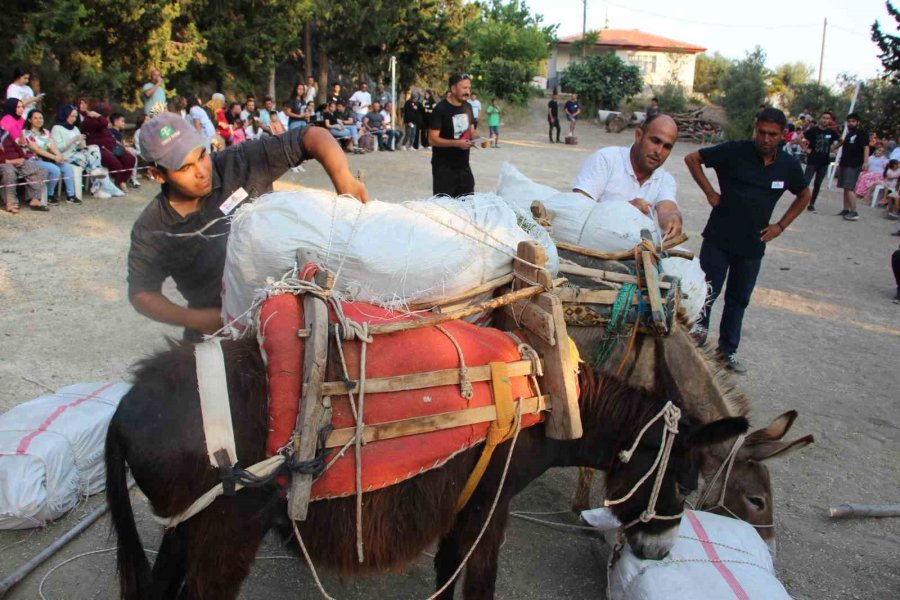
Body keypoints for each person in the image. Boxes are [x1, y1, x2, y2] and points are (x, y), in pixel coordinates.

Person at [128, 112, 369, 341]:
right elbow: (142, 294)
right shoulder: (152, 229)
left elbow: (311, 136)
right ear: (157, 175)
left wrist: (344, 178)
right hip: (219, 330)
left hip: (286, 312)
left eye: (201, 155)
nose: (202, 171)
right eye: (184, 168)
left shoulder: (241, 162)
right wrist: (199, 319)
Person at [684, 108, 810, 374]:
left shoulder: (788, 166)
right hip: (719, 238)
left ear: (782, 135)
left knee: (738, 299)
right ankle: (694, 346)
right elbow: (692, 158)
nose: (765, 139)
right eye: (761, 132)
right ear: (756, 129)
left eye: (772, 135)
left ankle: (726, 352)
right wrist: (710, 192)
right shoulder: (734, 151)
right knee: (705, 292)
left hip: (753, 245)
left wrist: (780, 226)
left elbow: (803, 195)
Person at [573, 114, 683, 241]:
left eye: (667, 147)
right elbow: (577, 209)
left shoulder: (665, 179)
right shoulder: (606, 160)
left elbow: (668, 208)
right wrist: (622, 210)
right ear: (638, 135)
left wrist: (673, 219)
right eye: (655, 141)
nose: (659, 151)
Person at [429, 73, 481, 197]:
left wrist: (478, 138)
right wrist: (457, 143)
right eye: (464, 88)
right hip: (444, 168)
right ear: (453, 89)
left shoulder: (468, 107)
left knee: (468, 206)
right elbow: (432, 139)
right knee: (445, 209)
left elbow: (471, 130)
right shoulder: (440, 109)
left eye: (469, 88)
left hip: (464, 167)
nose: (468, 91)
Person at [51, 104, 116, 198]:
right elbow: (59, 148)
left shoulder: (75, 128)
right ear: (64, 115)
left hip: (78, 154)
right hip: (66, 156)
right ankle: (96, 188)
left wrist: (81, 142)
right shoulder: (57, 128)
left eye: (75, 116)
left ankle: (96, 179)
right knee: (94, 164)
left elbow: (82, 147)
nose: (74, 119)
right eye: (71, 116)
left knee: (94, 147)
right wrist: (74, 139)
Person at [23, 109, 79, 204]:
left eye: (41, 118)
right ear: (29, 120)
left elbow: (52, 145)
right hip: (33, 160)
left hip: (46, 158)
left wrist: (59, 156)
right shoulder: (26, 133)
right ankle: (50, 195)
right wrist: (54, 158)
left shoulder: (45, 132)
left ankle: (71, 196)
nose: (39, 120)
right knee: (55, 170)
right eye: (35, 118)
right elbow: (36, 150)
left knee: (66, 166)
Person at [80, 101, 135, 191]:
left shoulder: (101, 119)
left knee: (130, 158)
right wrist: (98, 116)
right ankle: (119, 183)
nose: (108, 117)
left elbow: (106, 126)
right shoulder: (89, 120)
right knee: (116, 164)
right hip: (99, 148)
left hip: (113, 145)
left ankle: (121, 181)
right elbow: (105, 123)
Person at [1, 120, 45, 213]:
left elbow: (16, 147)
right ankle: (11, 204)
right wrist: (9, 161)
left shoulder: (4, 132)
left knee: (37, 169)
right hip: (3, 162)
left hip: (17, 160)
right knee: (9, 173)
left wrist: (22, 158)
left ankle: (34, 199)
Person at [802, 113, 840, 212]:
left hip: (824, 162)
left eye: (828, 118)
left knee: (818, 184)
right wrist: (806, 149)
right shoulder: (813, 130)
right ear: (820, 118)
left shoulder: (831, 132)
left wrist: (833, 148)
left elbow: (841, 141)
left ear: (830, 120)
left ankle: (811, 204)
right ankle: (800, 200)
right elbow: (799, 138)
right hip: (812, 160)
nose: (825, 120)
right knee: (806, 182)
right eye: (823, 118)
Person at [836, 112, 868, 221]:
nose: (850, 123)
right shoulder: (849, 134)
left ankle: (854, 211)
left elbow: (866, 147)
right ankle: (846, 209)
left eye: (853, 121)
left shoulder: (861, 133)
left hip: (854, 164)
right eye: (849, 121)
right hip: (845, 162)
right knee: (845, 187)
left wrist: (865, 161)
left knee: (850, 187)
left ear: (857, 122)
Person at [108, 112, 141, 188]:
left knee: (132, 155)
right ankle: (123, 180)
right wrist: (124, 146)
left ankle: (125, 180)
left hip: (118, 152)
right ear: (116, 122)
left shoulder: (117, 132)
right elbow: (115, 144)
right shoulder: (112, 132)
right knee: (131, 155)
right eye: (122, 121)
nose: (124, 123)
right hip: (114, 153)